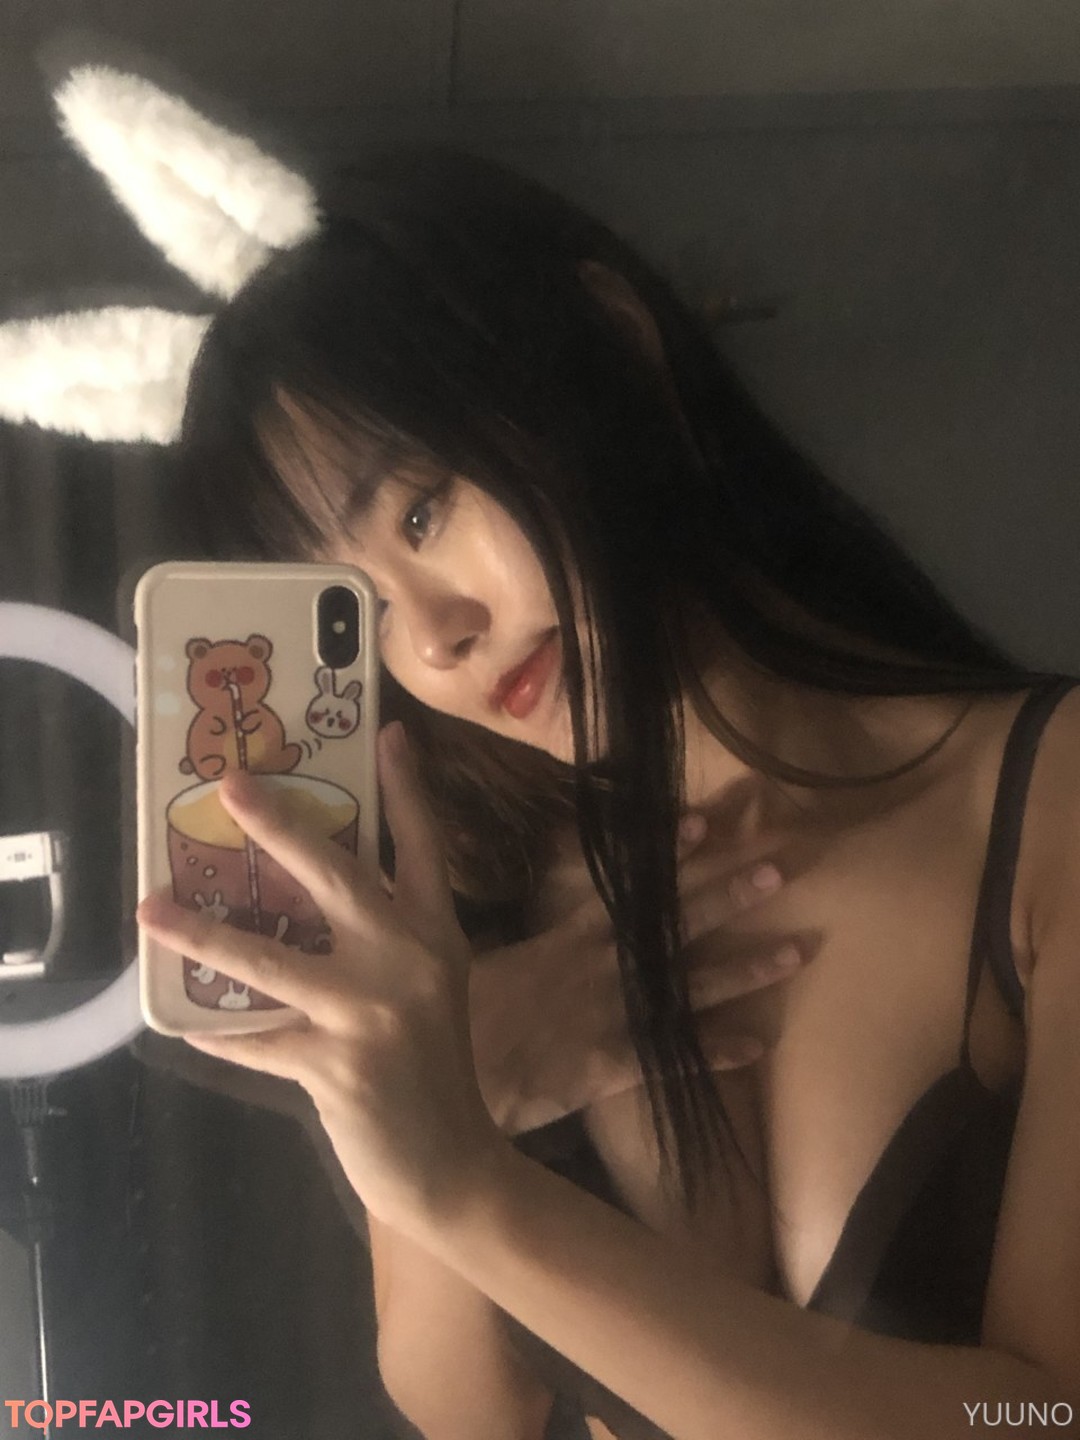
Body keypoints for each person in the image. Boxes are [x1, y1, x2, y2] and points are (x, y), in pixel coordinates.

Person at [137, 150, 1080, 1438]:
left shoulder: (1048, 803)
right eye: (357, 606)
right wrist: (464, 1090)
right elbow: (474, 1418)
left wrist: (468, 1184)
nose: (435, 639)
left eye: (420, 514)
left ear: (616, 349)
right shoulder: (479, 925)